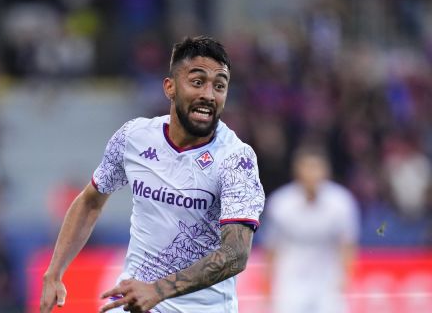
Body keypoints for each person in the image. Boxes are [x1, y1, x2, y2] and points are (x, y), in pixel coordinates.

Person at [40, 36, 265, 313]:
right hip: (135, 301)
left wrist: (158, 290)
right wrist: (54, 272)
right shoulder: (134, 137)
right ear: (170, 87)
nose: (209, 94)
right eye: (197, 82)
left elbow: (235, 255)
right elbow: (90, 201)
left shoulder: (236, 159)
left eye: (219, 85)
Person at [263, 145, 359, 313]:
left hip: (328, 282)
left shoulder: (341, 202)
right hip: (289, 282)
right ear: (297, 171)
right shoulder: (281, 203)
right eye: (306, 167)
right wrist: (268, 283)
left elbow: (347, 244)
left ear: (326, 170)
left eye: (316, 167)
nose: (311, 173)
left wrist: (345, 278)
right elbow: (272, 248)